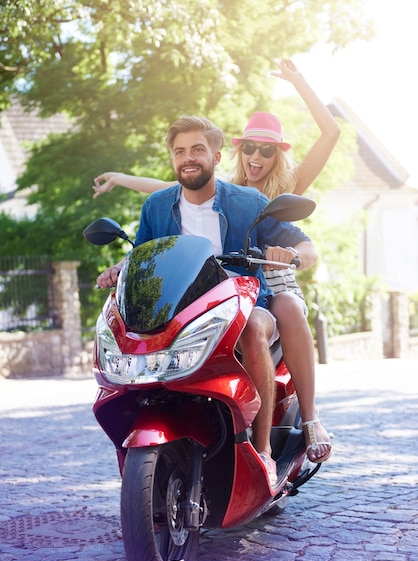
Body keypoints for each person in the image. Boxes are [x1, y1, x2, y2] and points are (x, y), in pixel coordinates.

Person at [93, 59, 337, 465]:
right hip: (186, 303)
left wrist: (291, 256)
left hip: (250, 293)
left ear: (218, 155)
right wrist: (122, 268)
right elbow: (145, 252)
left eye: (197, 150)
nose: (189, 158)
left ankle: (264, 449)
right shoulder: (160, 205)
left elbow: (304, 245)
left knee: (270, 318)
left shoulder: (254, 201)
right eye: (180, 151)